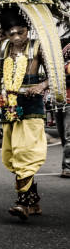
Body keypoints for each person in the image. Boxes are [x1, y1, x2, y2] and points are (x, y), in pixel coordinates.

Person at [0, 6, 48, 220]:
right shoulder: (4, 48)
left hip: (32, 106)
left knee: (25, 152)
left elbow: (56, 74)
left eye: (21, 32)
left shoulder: (38, 47)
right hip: (9, 104)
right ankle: (33, 202)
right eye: (11, 33)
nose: (17, 37)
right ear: (4, 33)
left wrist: (42, 85)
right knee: (13, 152)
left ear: (28, 29)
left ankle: (23, 204)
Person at [56, 43, 70, 178]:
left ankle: (67, 167)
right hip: (59, 101)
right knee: (63, 136)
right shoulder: (67, 48)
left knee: (68, 136)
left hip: (69, 102)